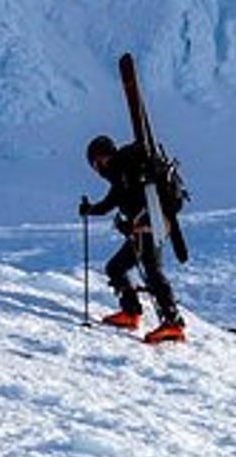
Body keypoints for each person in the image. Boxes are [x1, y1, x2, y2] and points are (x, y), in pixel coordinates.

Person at [78, 134, 185, 343]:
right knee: (116, 268)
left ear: (102, 157)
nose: (97, 169)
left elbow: (114, 201)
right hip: (146, 227)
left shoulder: (124, 171)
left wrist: (92, 210)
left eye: (96, 163)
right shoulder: (123, 173)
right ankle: (131, 312)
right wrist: (91, 209)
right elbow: (112, 201)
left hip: (148, 226)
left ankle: (173, 323)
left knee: (152, 271)